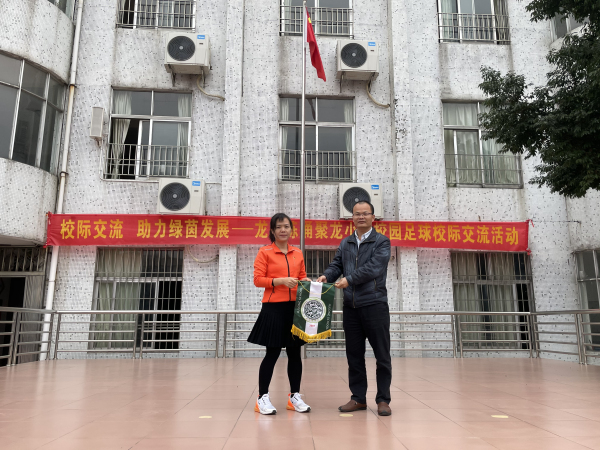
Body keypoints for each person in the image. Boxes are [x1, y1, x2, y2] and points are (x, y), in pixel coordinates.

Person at [317, 201, 392, 416]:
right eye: (357, 214)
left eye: (365, 213)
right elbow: (337, 264)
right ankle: (358, 398)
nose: (361, 217)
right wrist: (327, 276)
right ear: (352, 218)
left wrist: (349, 280)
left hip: (375, 304)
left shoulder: (382, 241)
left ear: (373, 217)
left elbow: (373, 268)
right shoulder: (346, 242)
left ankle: (383, 400)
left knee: (382, 355)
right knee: (354, 356)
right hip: (351, 307)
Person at [248, 213, 312, 415]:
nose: (283, 230)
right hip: (273, 308)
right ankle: (262, 398)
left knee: (295, 353)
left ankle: (294, 397)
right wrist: (281, 281)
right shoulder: (265, 252)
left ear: (291, 229)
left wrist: (307, 282)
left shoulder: (297, 253)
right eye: (279, 227)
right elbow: (258, 280)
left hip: (295, 308)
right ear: (272, 231)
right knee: (272, 353)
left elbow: (302, 277)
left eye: (286, 226)